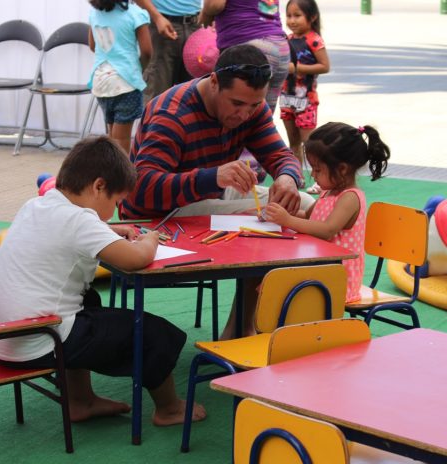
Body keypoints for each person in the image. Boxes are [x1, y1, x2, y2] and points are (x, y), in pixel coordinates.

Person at [0, 136, 206, 426]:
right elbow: (135, 260)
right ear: (99, 186)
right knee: (154, 333)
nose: (115, 210)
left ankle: (80, 400)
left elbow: (78, 229)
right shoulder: (79, 221)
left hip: (0, 337)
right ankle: (170, 409)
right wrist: (150, 240)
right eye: (116, 201)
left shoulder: (37, 205)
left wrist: (111, 230)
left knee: (89, 300)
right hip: (37, 341)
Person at [120, 44, 315, 339]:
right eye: (237, 103)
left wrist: (288, 177)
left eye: (253, 105)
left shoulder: (251, 107)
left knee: (305, 203)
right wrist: (213, 178)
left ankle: (273, 321)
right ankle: (240, 331)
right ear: (213, 81)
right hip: (158, 216)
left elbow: (280, 156)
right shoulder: (171, 114)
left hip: (209, 195)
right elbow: (141, 192)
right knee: (271, 221)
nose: (245, 113)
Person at [264, 122, 390, 303]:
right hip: (320, 268)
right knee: (273, 283)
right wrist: (279, 214)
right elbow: (308, 217)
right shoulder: (328, 192)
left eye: (317, 169)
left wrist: (288, 220)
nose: (313, 176)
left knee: (282, 289)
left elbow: (327, 230)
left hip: (338, 277)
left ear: (342, 169)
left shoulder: (350, 198)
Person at [199, 0, 289, 113]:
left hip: (251, 46)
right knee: (262, 122)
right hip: (280, 46)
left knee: (236, 118)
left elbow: (215, 5)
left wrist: (206, 12)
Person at [88, 0, 152, 153]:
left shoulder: (94, 14)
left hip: (101, 81)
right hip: (125, 82)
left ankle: (110, 171)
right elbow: (147, 51)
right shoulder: (135, 13)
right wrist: (139, 68)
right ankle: (120, 175)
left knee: (112, 135)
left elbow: (92, 46)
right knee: (121, 138)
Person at [280, 0, 330, 189]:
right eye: (289, 15)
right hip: (286, 98)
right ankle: (296, 176)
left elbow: (325, 66)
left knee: (310, 143)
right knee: (293, 142)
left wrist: (296, 68)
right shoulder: (287, 39)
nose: (292, 20)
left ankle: (322, 179)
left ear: (312, 17)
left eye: (297, 15)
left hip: (306, 101)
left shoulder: (313, 39)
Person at [134, 0, 202, 101]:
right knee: (158, 94)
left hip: (196, 24)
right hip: (163, 24)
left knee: (192, 96)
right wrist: (157, 17)